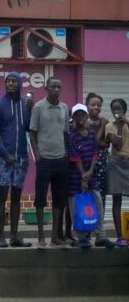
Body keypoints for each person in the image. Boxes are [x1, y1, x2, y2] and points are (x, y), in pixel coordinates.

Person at [0, 72, 33, 248]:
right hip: (4, 158)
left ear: (20, 84)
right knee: (2, 196)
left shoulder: (25, 104)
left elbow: (30, 128)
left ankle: (14, 236)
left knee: (16, 197)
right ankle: (1, 236)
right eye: (7, 81)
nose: (10, 84)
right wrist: (4, 153)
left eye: (14, 81)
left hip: (21, 157)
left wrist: (31, 108)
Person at [29, 77, 69, 249]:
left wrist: (66, 153)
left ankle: (55, 236)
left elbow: (66, 132)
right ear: (46, 88)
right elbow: (32, 133)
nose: (56, 89)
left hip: (61, 159)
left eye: (59, 87)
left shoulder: (65, 108)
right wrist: (37, 156)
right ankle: (41, 237)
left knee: (60, 199)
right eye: (53, 86)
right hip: (44, 159)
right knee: (40, 199)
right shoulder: (38, 107)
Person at [67, 103, 114, 248]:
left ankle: (100, 236)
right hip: (76, 179)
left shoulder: (92, 134)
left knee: (98, 205)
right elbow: (75, 157)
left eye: (83, 115)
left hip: (91, 177)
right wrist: (83, 176)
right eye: (77, 115)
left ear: (87, 116)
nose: (80, 118)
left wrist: (89, 173)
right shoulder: (71, 137)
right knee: (77, 208)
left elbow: (94, 154)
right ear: (73, 118)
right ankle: (81, 238)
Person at [105, 98, 129, 248]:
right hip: (115, 164)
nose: (116, 112)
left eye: (119, 109)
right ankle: (120, 237)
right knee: (117, 200)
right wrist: (120, 126)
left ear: (124, 110)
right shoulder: (109, 126)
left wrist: (126, 121)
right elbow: (118, 145)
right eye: (114, 109)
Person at [86, 93, 110, 212]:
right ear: (87, 106)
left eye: (99, 105)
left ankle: (100, 223)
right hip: (88, 164)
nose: (96, 107)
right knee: (89, 192)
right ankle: (90, 221)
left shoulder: (105, 121)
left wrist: (99, 142)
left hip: (102, 164)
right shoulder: (84, 122)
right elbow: (94, 142)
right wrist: (102, 126)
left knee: (102, 194)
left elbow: (107, 143)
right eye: (93, 105)